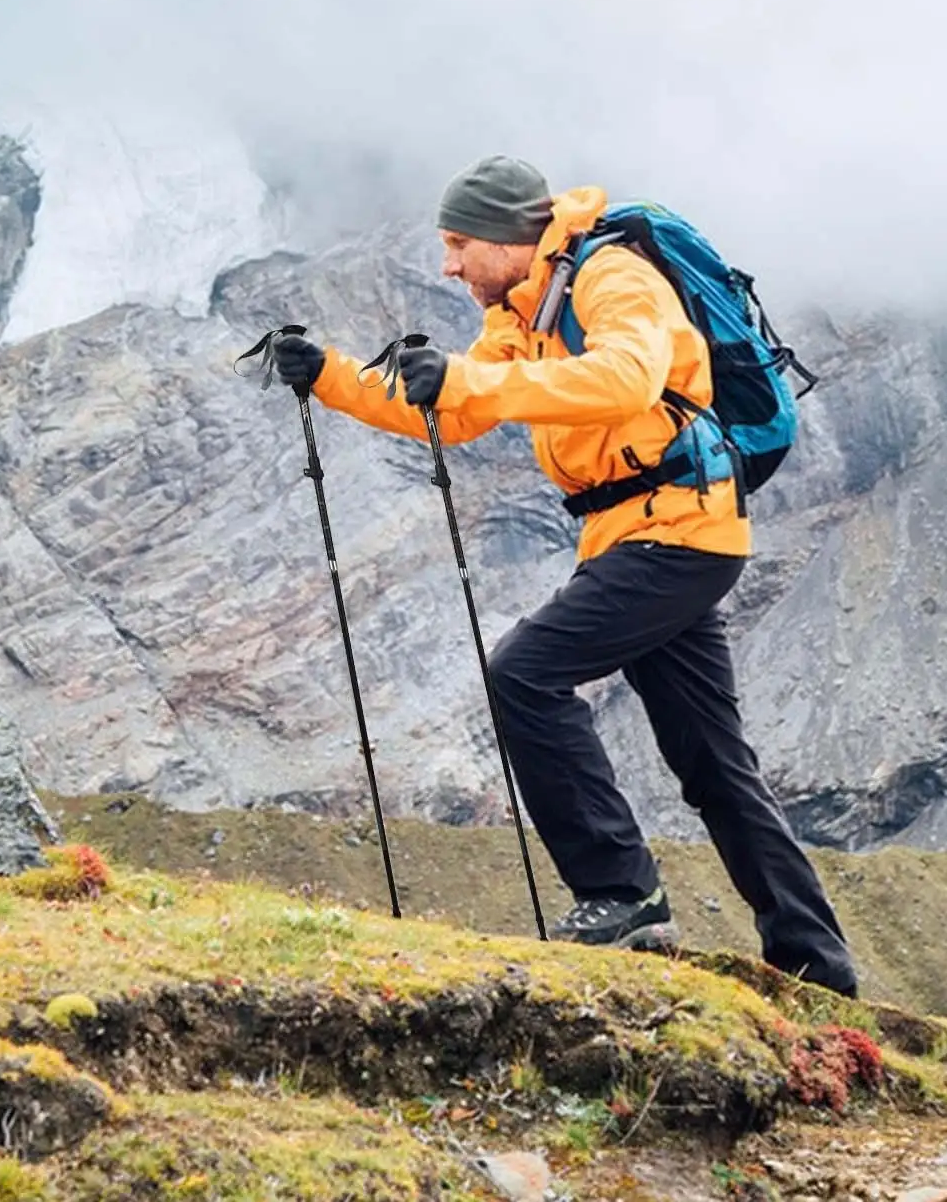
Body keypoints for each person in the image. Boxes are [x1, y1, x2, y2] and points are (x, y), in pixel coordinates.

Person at [273, 155, 859, 995]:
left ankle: (621, 892)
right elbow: (458, 409)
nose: (448, 265)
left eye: (457, 243)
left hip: (679, 529)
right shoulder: (524, 307)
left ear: (511, 237)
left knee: (523, 673)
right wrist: (329, 374)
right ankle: (817, 969)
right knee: (713, 764)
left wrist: (475, 375)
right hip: (641, 533)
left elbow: (627, 376)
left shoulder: (610, 275)